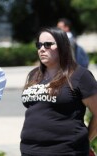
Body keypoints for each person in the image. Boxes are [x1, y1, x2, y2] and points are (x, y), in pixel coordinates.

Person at [20, 27, 97, 155]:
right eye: (39, 45)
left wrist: (85, 141)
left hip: (66, 151)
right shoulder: (33, 75)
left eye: (48, 44)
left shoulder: (80, 75)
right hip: (30, 150)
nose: (42, 49)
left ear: (62, 46)